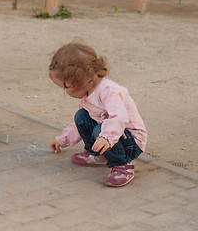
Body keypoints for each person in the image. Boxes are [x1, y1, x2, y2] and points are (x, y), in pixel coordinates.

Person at [49, 42, 147, 187]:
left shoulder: (110, 91)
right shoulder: (87, 94)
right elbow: (78, 125)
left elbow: (119, 118)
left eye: (66, 87)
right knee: (81, 116)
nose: (65, 92)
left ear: (81, 79)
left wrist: (106, 137)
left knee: (100, 130)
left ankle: (122, 165)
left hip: (131, 142)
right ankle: (98, 155)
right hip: (110, 136)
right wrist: (63, 139)